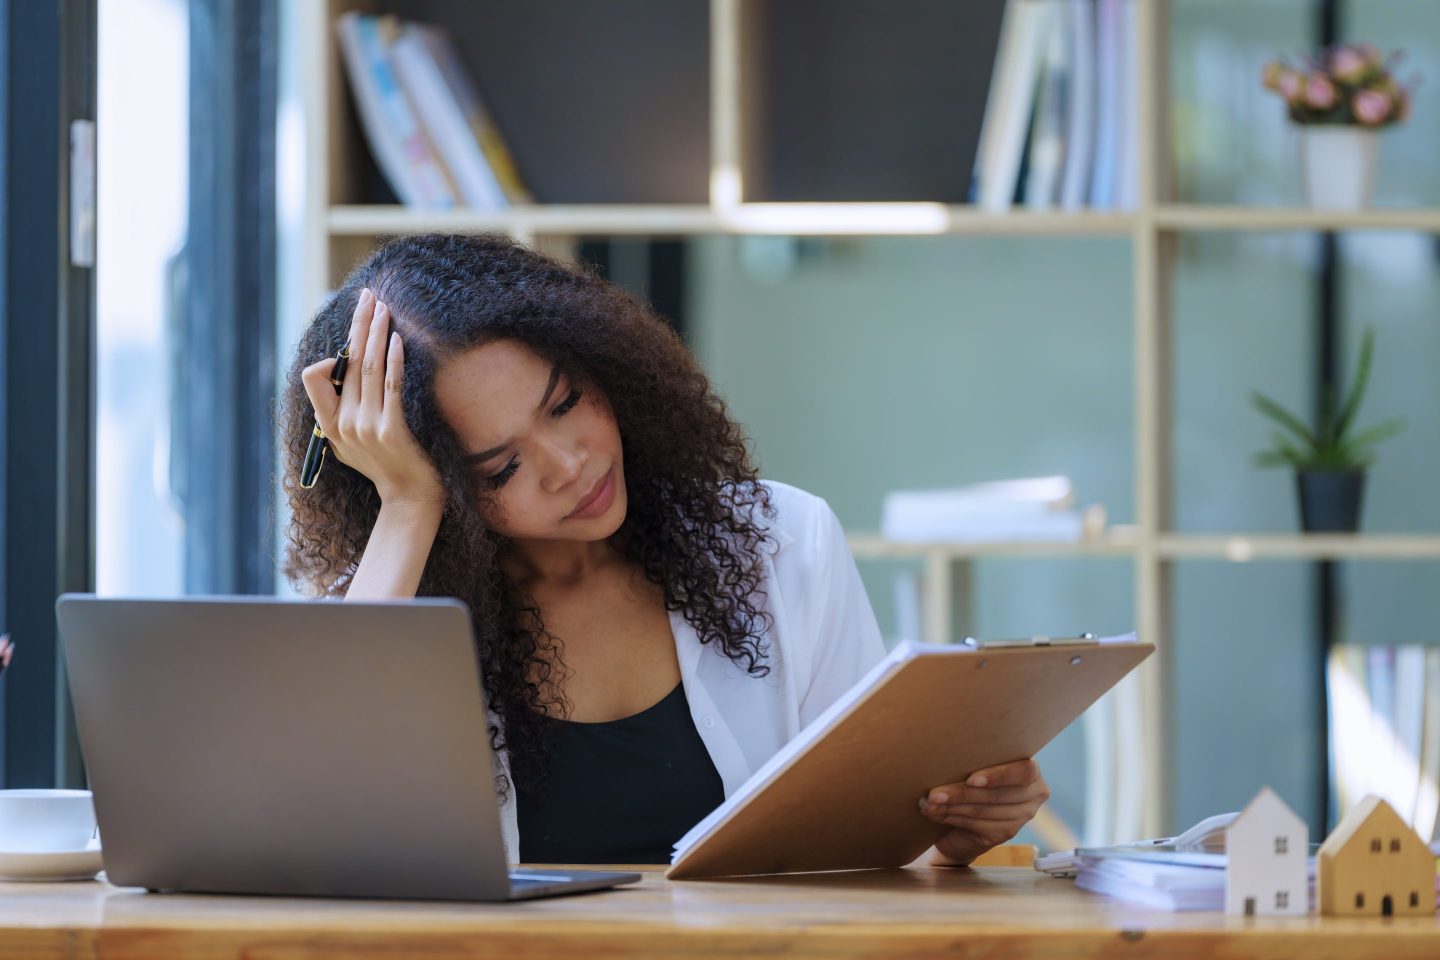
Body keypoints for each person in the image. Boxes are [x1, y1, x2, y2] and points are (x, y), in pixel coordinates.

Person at [280, 232, 1048, 866]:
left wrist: (952, 832)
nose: (570, 463)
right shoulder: (383, 603)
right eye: (502, 467)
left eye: (567, 402)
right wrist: (409, 507)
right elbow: (323, 851)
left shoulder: (780, 545)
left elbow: (865, 849)